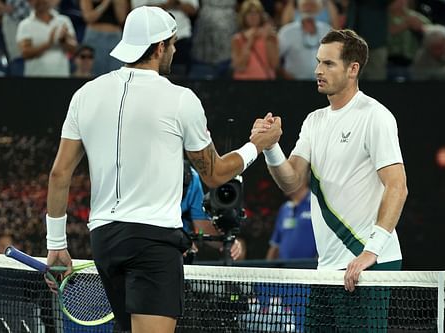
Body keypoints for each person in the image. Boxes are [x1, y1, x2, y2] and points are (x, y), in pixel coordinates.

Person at [44, 6, 281, 333]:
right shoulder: (181, 99)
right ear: (158, 48)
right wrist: (258, 145)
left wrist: (56, 244)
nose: (173, 49)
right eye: (171, 44)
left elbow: (59, 174)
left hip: (105, 240)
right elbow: (214, 173)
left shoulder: (85, 95)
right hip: (151, 242)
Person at [252, 29, 408, 330]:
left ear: (353, 69)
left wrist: (370, 253)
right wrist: (270, 147)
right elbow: (291, 181)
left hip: (369, 263)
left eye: (328, 64)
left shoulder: (375, 116)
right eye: (317, 62)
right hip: (328, 268)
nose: (317, 71)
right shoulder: (314, 121)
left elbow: (397, 187)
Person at [181, 159, 243, 263]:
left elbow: (202, 227)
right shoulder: (146, 173)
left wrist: (227, 241)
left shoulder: (190, 177)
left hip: (178, 261)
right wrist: (176, 241)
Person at [16, 0, 77, 77]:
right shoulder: (25, 25)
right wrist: (49, 43)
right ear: (29, 2)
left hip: (61, 77)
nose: (40, 1)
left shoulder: (63, 21)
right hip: (35, 78)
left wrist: (63, 40)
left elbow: (74, 49)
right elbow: (25, 53)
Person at [265, 173, 316, 261]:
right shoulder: (285, 208)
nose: (283, 182)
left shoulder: (316, 204)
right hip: (285, 269)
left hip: (310, 269)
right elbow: (275, 244)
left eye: (288, 178)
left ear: (302, 180)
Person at [277, 0, 331, 80]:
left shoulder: (327, 30)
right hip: (294, 84)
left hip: (322, 83)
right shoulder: (287, 32)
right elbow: (275, 59)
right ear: (298, 8)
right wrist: (284, 74)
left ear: (318, 9)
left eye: (312, 6)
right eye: (305, 6)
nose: (308, 9)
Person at [231, 0, 279, 80]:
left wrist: (267, 39)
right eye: (249, 13)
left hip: (265, 83)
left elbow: (274, 64)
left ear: (261, 16)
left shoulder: (271, 37)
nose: (253, 16)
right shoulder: (237, 39)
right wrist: (250, 41)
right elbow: (240, 67)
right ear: (243, 16)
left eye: (256, 12)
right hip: (243, 84)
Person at [79, 0, 128, 76]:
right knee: (94, 73)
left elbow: (121, 18)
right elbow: (88, 17)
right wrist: (105, 3)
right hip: (94, 37)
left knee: (116, 73)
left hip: (114, 38)